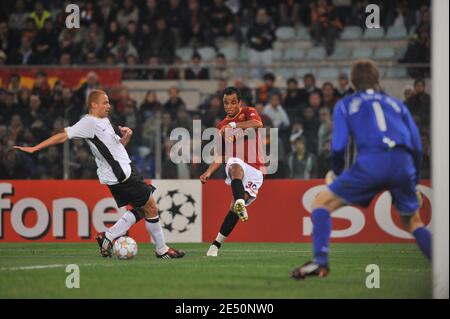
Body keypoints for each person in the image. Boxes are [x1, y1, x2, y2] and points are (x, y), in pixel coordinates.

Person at [291, 60, 431, 280]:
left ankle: (321, 261)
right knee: (413, 222)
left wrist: (336, 172)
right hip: (403, 163)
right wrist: (414, 181)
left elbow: (338, 146)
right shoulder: (396, 104)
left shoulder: (346, 104)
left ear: (353, 83)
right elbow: (417, 145)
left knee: (320, 203)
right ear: (377, 80)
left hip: (372, 162)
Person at [14, 89, 185, 260]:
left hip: (126, 170)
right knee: (151, 207)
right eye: (105, 102)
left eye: (109, 102)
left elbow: (113, 149)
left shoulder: (104, 120)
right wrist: (35, 148)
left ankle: (108, 237)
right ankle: (161, 250)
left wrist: (125, 137)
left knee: (143, 208)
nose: (108, 106)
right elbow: (63, 136)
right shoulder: (88, 122)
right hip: (120, 175)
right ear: (93, 105)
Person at [200, 87, 265, 257]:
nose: (229, 106)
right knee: (235, 164)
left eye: (233, 102)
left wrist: (234, 124)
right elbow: (221, 155)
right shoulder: (221, 126)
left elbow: (258, 124)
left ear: (240, 102)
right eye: (226, 103)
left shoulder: (248, 112)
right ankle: (240, 202)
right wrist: (208, 172)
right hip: (237, 164)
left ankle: (215, 245)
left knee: (233, 209)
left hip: (256, 170)